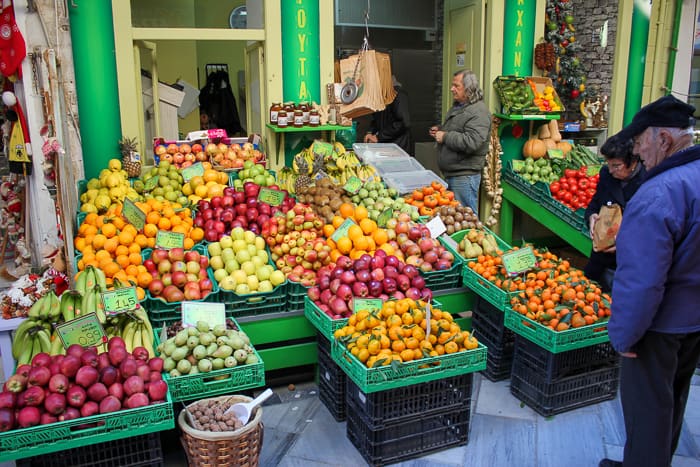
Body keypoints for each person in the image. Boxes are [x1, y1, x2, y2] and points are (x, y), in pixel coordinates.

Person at [600, 95, 700, 467]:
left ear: (663, 139)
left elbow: (642, 280)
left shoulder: (658, 193)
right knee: (672, 400)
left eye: (641, 140)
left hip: (657, 326)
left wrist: (625, 335)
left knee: (647, 415)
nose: (637, 150)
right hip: (692, 321)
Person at [583, 133, 646, 292]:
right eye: (608, 164)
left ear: (633, 162)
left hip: (630, 265)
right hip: (600, 258)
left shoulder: (648, 181)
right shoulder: (606, 175)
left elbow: (650, 226)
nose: (611, 170)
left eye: (616, 166)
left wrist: (626, 242)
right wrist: (591, 217)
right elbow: (595, 204)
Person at [429, 70, 491, 215]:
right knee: (454, 218)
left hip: (464, 177)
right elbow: (459, 129)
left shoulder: (479, 112)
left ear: (468, 89)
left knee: (466, 220)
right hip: (453, 173)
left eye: (456, 86)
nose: (452, 89)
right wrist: (440, 130)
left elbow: (472, 141)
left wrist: (444, 136)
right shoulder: (460, 106)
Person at [363, 76, 413, 155]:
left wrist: (379, 137)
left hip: (399, 149)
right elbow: (375, 120)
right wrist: (370, 132)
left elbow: (404, 122)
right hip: (386, 148)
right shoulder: (380, 97)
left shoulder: (399, 95)